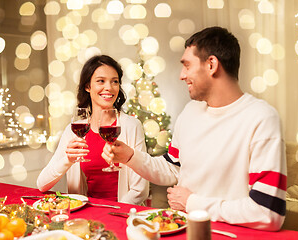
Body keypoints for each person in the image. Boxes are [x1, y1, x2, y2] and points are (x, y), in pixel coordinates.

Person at [102, 27, 287, 230]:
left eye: (187, 65)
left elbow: (268, 213)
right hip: (182, 230)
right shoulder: (190, 112)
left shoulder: (261, 118)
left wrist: (192, 203)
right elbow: (173, 168)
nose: (182, 75)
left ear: (211, 64)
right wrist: (130, 157)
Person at [37, 55, 149, 205]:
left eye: (114, 81)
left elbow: (140, 190)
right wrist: (68, 160)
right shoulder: (74, 130)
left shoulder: (131, 126)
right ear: (87, 86)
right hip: (86, 216)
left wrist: (112, 212)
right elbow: (42, 184)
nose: (109, 87)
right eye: (101, 81)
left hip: (123, 214)